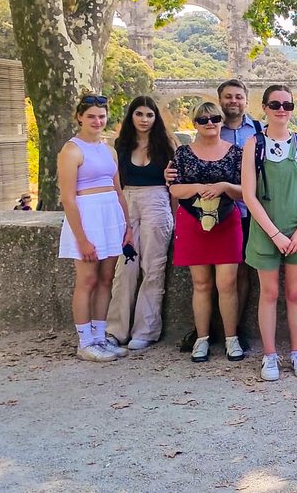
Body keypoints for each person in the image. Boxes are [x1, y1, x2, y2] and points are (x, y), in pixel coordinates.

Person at [165, 78, 257, 353]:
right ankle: (202, 339)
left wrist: (225, 187)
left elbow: (247, 190)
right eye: (203, 119)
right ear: (195, 123)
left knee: (228, 282)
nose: (210, 123)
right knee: (201, 283)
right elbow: (174, 187)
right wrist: (199, 188)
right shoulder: (182, 153)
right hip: (193, 221)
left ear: (220, 121)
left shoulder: (238, 152)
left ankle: (231, 339)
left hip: (228, 220)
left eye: (214, 118)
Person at [242, 84, 297, 381]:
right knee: (270, 293)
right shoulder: (254, 144)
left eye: (287, 105)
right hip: (265, 230)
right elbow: (249, 195)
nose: (282, 110)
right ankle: (270, 356)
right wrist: (275, 235)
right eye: (276, 104)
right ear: (265, 107)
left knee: (296, 293)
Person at [57, 94, 133, 362]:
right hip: (87, 219)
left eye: (101, 116)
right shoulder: (71, 150)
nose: (97, 121)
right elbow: (67, 198)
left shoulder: (108, 149)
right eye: (91, 116)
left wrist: (127, 227)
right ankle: (85, 341)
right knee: (87, 280)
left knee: (106, 278)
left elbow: (118, 190)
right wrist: (82, 239)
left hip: (110, 217)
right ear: (79, 117)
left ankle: (100, 336)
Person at [106, 96, 177, 351]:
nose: (144, 120)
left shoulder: (166, 147)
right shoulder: (121, 146)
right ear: (131, 116)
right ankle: (116, 329)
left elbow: (174, 187)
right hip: (127, 203)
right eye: (139, 114)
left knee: (153, 267)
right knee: (125, 268)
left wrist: (175, 217)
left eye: (149, 115)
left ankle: (146, 329)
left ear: (156, 118)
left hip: (157, 202)